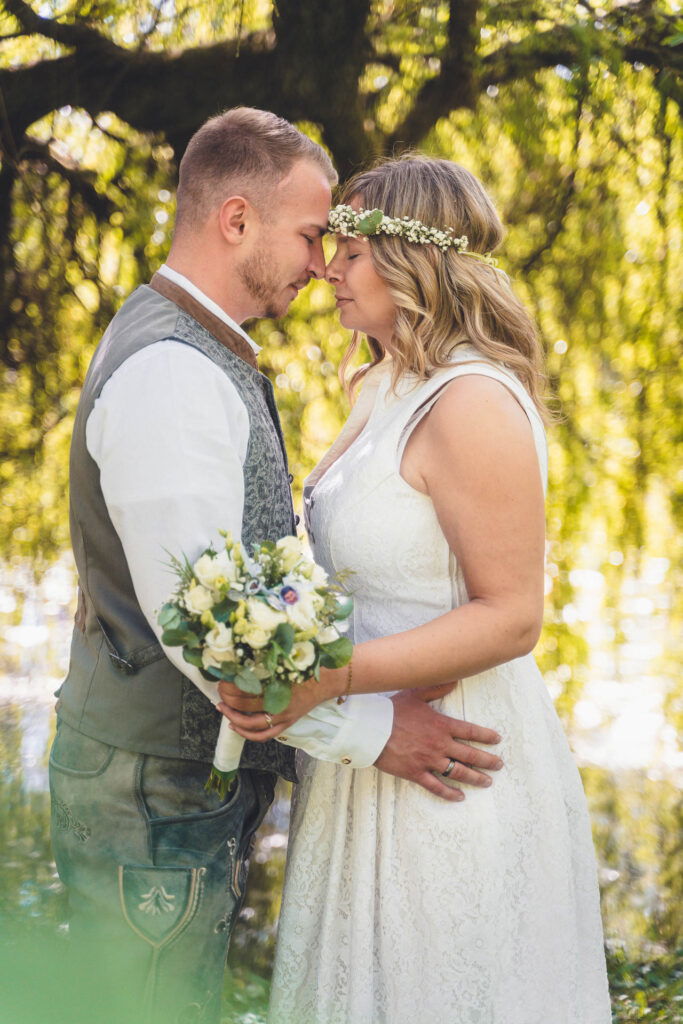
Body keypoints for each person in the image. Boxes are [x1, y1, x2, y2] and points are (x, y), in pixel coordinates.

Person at [49, 111, 502, 1024]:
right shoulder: (172, 373)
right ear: (236, 220)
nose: (323, 261)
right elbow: (205, 636)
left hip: (171, 788)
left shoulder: (195, 345)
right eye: (308, 234)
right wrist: (374, 735)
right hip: (151, 790)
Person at [219, 155, 612, 1023]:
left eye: (351, 251)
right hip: (376, 751)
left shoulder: (469, 401)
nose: (327, 267)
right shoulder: (387, 388)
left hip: (452, 768)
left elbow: (512, 618)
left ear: (415, 260)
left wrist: (331, 677)